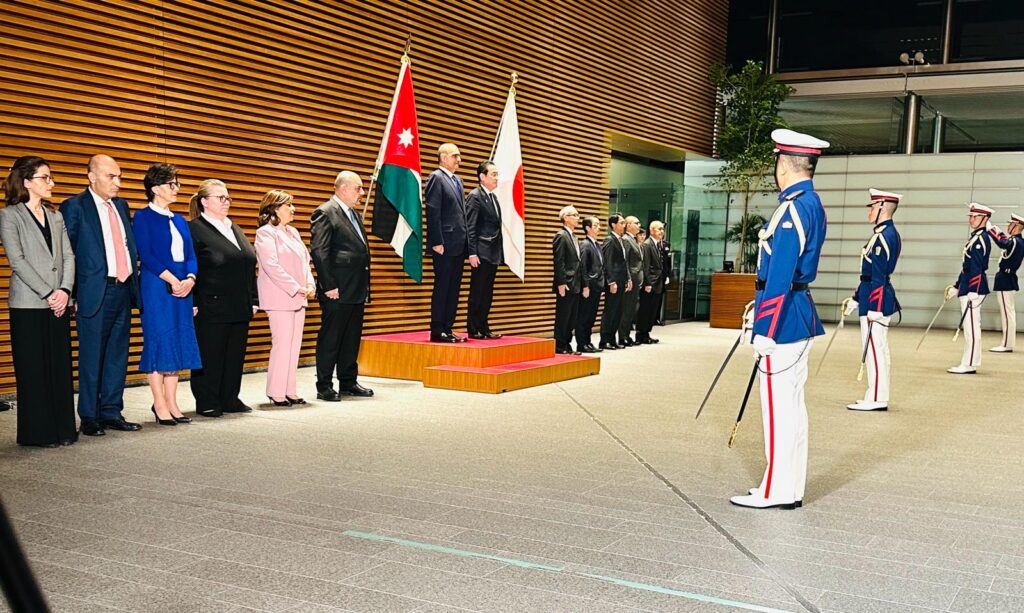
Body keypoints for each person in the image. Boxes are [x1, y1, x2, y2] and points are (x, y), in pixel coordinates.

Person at [731, 128, 829, 510]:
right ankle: (786, 485)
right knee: (792, 407)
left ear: (784, 165)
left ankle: (777, 490)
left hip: (784, 320)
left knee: (779, 409)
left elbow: (781, 274)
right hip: (796, 314)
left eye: (776, 163)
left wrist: (764, 328)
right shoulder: (812, 202)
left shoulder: (792, 208)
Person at [60, 155, 142, 436]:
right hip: (95, 291)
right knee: (92, 355)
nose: (117, 183)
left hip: (123, 289)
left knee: (117, 355)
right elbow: (66, 252)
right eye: (111, 176)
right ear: (91, 177)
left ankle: (111, 411)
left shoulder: (120, 205)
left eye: (119, 176)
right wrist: (70, 292)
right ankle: (89, 416)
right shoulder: (74, 206)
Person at [0, 156, 76, 446]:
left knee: (59, 366)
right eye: (46, 177)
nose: (52, 183)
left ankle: (63, 429)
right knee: (33, 368)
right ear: (28, 181)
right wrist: (48, 292)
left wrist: (65, 291)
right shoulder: (9, 216)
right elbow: (17, 261)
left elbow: (68, 256)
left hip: (59, 300)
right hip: (29, 303)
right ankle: (38, 433)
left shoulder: (55, 216)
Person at [133, 163, 201, 425]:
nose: (177, 189)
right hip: (156, 286)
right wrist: (174, 280)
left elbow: (190, 255)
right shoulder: (142, 216)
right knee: (159, 340)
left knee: (178, 340)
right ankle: (158, 402)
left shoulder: (180, 220)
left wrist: (190, 279)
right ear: (155, 188)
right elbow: (146, 254)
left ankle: (172, 401)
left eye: (176, 183)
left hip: (183, 288)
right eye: (171, 184)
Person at [188, 179, 258, 415]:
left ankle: (230, 397)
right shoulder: (194, 229)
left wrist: (254, 299)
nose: (226, 202)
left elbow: (248, 264)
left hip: (239, 304)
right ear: (204, 201)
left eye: (228, 197)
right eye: (221, 197)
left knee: (234, 355)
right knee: (211, 354)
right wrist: (194, 301)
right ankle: (207, 400)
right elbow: (190, 267)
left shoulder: (233, 227)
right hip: (211, 304)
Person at [310, 171, 373, 401]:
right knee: (331, 337)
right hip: (336, 288)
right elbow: (319, 251)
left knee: (351, 337)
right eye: (358, 188)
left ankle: (348, 381)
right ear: (344, 188)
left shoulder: (353, 214)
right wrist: (328, 285)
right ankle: (324, 384)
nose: (362, 193)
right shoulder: (326, 212)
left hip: (355, 287)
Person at [255, 190, 315, 406]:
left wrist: (310, 284)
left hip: (298, 296)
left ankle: (290, 389)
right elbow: (271, 265)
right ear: (275, 208)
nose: (293, 209)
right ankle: (276, 391)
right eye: (288, 205)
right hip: (279, 297)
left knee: (294, 345)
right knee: (282, 344)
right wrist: (296, 287)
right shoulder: (265, 233)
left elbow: (304, 262)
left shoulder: (293, 232)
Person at [844, 189, 902, 412]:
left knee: (875, 349)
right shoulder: (884, 234)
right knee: (877, 349)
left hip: (876, 301)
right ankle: (875, 393)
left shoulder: (883, 237)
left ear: (882, 208)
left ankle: (877, 398)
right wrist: (857, 298)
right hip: (870, 296)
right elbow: (868, 275)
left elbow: (878, 276)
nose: (869, 211)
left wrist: (874, 307)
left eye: (872, 206)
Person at [425, 143, 468, 343]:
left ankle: (448, 328)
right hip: (444, 244)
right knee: (442, 287)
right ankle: (437, 329)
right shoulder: (436, 178)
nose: (458, 160)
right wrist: (436, 241)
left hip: (458, 244)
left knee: (454, 287)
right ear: (443, 157)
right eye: (455, 156)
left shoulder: (457, 180)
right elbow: (433, 211)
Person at [946, 203, 993, 374]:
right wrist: (958, 286)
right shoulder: (975, 237)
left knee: (972, 327)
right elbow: (966, 267)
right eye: (970, 216)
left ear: (985, 219)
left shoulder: (981, 239)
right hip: (968, 286)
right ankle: (969, 361)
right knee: (969, 326)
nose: (971, 219)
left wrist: (973, 288)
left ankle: (970, 363)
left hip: (975, 288)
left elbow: (977, 268)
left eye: (976, 216)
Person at [465, 160, 503, 340]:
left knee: (487, 292)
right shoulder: (475, 196)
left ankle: (484, 326)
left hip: (493, 252)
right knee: (478, 291)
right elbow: (470, 226)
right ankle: (473, 328)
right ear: (482, 176)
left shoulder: (493, 197)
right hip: (480, 252)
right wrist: (472, 252)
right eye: (493, 174)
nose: (497, 178)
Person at [988, 214, 1024, 352]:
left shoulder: (1016, 242)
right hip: (1007, 278)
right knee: (1008, 312)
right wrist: (998, 232)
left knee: (1007, 313)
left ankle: (1007, 344)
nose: (1008, 227)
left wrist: (991, 230)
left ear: (1016, 226)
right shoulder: (1017, 242)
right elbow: (1006, 242)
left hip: (1006, 279)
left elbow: (1003, 243)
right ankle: (1007, 343)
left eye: (1010, 224)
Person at [552, 205, 581, 355]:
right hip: (566, 283)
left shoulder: (574, 236)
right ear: (565, 218)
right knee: (563, 315)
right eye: (574, 215)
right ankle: (560, 345)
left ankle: (567, 343)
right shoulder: (561, 236)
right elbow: (559, 261)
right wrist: (561, 282)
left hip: (576, 283)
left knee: (571, 317)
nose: (578, 218)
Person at [575, 216, 605, 353]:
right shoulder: (585, 244)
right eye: (596, 225)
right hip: (589, 286)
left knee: (591, 316)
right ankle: (582, 343)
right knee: (584, 316)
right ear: (587, 228)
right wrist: (585, 285)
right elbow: (583, 268)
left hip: (597, 286)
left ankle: (588, 341)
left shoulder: (597, 244)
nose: (599, 228)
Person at [599, 213, 628, 351]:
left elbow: (623, 263)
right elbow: (608, 263)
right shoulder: (610, 240)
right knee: (610, 311)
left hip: (621, 280)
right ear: (613, 225)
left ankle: (612, 338)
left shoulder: (621, 240)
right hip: (614, 282)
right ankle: (604, 340)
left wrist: (627, 278)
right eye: (621, 223)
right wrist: (611, 282)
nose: (624, 225)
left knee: (618, 311)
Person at [636, 221, 665, 344]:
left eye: (662, 229)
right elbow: (645, 265)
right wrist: (647, 283)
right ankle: (641, 334)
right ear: (651, 230)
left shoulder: (659, 244)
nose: (661, 231)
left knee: (652, 310)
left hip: (658, 282)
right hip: (651, 282)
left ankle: (647, 332)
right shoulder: (647, 244)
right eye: (659, 229)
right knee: (646, 309)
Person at [618, 216, 644, 347]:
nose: (639, 225)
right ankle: (622, 336)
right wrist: (628, 278)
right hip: (631, 280)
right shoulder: (626, 240)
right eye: (636, 223)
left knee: (631, 309)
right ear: (628, 225)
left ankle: (627, 334)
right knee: (626, 309)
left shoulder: (634, 240)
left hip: (636, 280)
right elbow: (626, 262)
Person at [656, 229, 671, 325]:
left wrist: (668, 275)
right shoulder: (651, 244)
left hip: (663, 274)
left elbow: (668, 262)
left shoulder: (666, 244)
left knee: (660, 297)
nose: (662, 232)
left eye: (663, 230)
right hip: (655, 276)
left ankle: (657, 317)